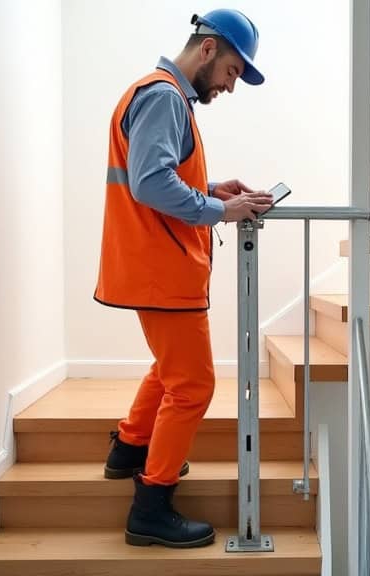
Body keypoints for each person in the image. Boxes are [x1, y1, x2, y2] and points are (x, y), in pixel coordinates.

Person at [94, 9, 273, 549]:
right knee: (194, 386)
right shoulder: (165, 97)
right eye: (233, 73)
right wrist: (222, 211)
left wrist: (214, 188)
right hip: (164, 271)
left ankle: (129, 448)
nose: (229, 86)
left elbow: (161, 173)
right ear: (209, 49)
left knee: (172, 370)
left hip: (156, 268)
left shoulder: (157, 94)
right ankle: (151, 504)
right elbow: (151, 184)